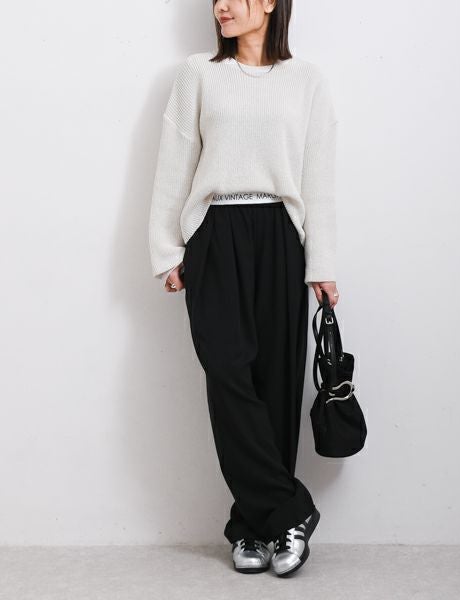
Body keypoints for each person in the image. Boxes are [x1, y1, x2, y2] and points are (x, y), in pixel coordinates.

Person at [148, 0, 340, 578]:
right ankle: (292, 512)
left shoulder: (306, 81)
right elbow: (175, 162)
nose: (221, 7)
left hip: (281, 235)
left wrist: (322, 263)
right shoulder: (198, 74)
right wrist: (167, 250)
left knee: (275, 382)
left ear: (273, 2)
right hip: (215, 234)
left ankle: (256, 527)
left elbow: (318, 175)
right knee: (228, 374)